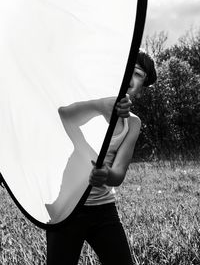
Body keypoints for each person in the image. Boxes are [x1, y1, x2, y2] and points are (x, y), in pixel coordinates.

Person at [46, 49, 157, 265]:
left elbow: (119, 173)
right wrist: (99, 105)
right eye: (127, 70)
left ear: (141, 90)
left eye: (138, 74)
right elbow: (64, 115)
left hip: (104, 210)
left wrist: (106, 174)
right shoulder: (92, 102)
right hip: (67, 208)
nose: (130, 76)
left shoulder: (133, 124)